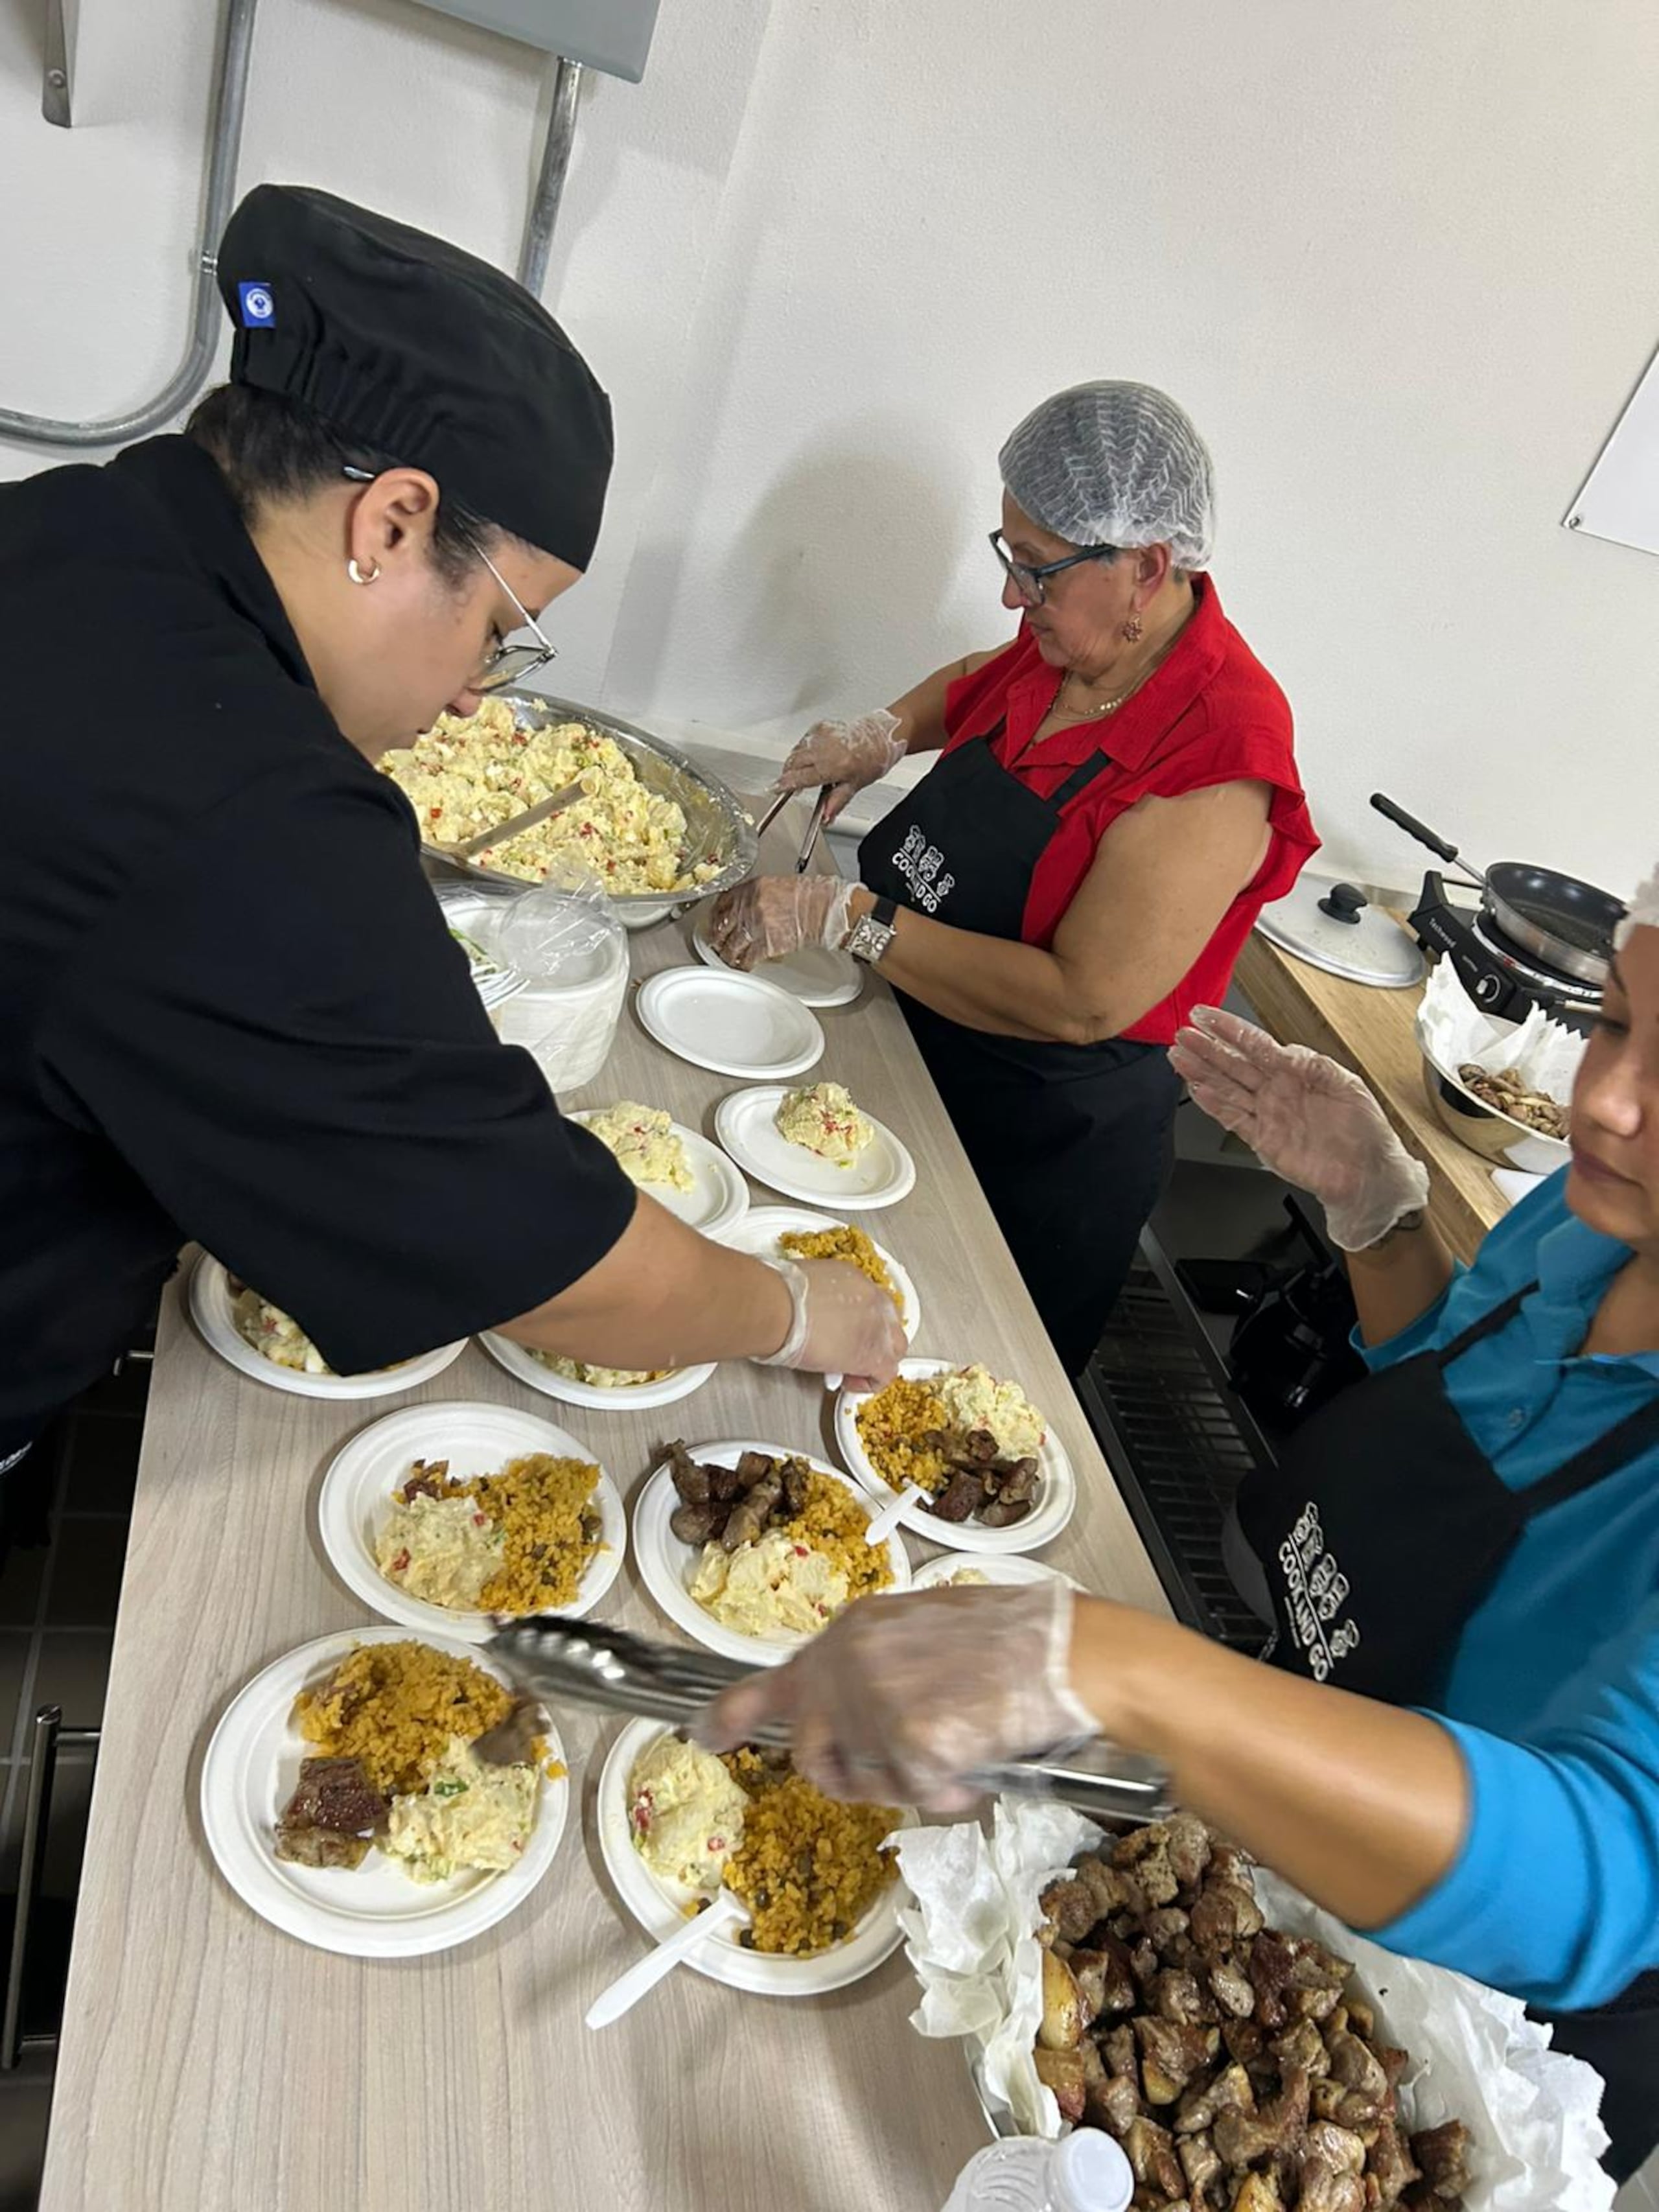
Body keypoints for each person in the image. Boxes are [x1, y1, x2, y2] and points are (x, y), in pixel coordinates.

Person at [706, 894, 1659, 2180]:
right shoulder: (1591, 1219)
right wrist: (1373, 1220)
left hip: (1469, 2025)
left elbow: (1600, 1863)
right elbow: (1454, 1400)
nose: (1604, 1102)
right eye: (1615, 1023)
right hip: (1274, 1807)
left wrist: (1124, 1671)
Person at [0, 184, 903, 1467]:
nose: (476, 690)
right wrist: (796, 1310)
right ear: (391, 522)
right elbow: (521, 1246)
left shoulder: (72, 530)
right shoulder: (244, 807)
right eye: (495, 629)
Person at [708, 382, 1319, 1377]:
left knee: (942, 1385)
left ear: (1147, 569)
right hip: (919, 1053)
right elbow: (975, 679)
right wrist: (884, 733)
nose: (1010, 596)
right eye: (1009, 558)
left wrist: (843, 915)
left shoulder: (1221, 751)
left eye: (1033, 571)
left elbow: (1082, 1000)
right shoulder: (1075, 643)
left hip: (1040, 1141)